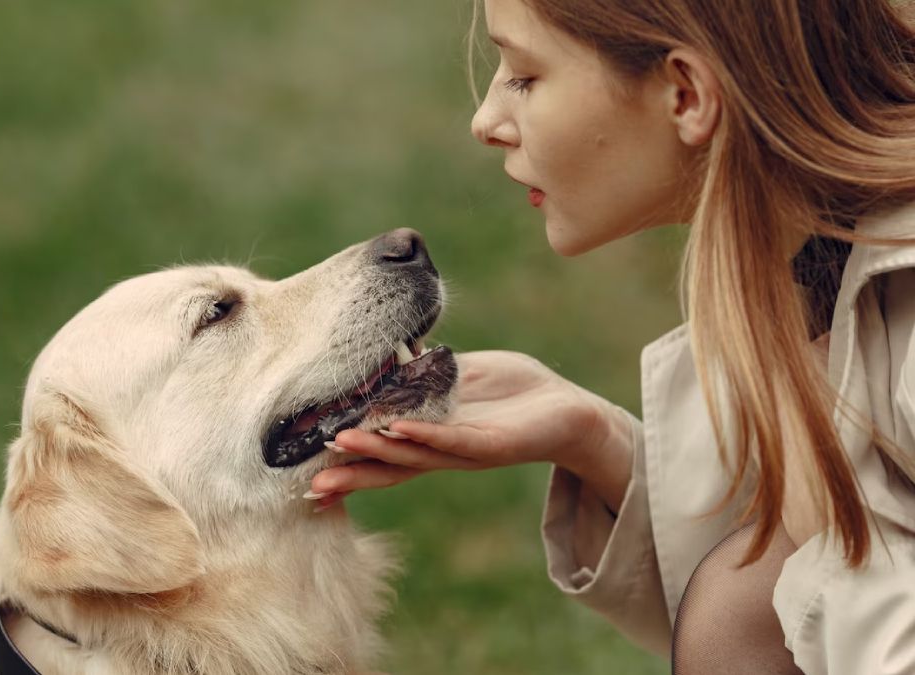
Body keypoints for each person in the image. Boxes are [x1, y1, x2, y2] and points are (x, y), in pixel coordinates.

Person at [306, 0, 915, 672]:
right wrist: (599, 442)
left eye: (525, 77)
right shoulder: (818, 267)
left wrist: (818, 528)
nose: (486, 121)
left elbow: (781, 613)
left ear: (685, 95)